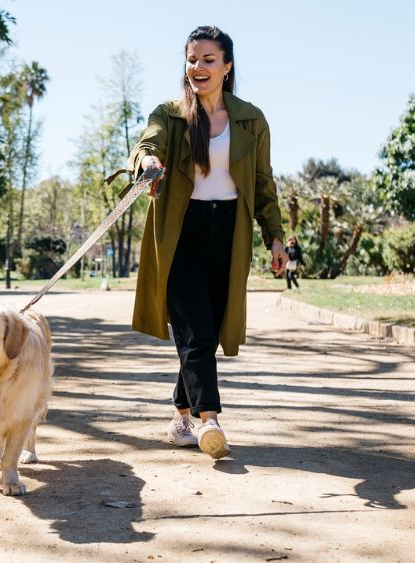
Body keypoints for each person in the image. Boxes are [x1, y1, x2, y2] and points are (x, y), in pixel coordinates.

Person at [126, 26, 287, 459]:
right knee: (195, 331)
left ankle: (180, 414)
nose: (198, 67)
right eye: (192, 59)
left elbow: (262, 183)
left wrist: (275, 237)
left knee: (209, 331)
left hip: (230, 234)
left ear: (227, 66)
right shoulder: (170, 114)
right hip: (181, 231)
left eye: (208, 60)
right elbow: (147, 144)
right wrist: (149, 161)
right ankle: (209, 420)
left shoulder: (251, 119)